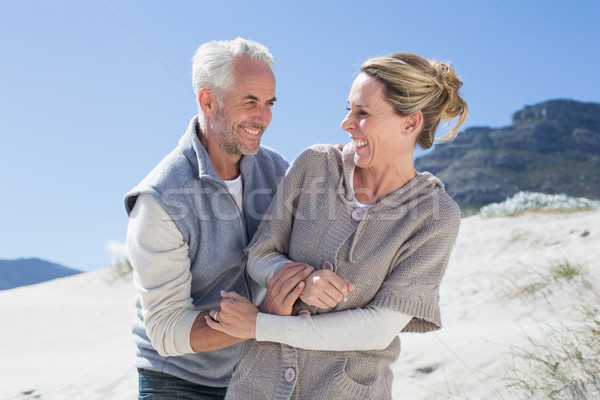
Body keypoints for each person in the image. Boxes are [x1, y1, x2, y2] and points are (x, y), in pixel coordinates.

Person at [206, 52, 469, 399]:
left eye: (362, 114)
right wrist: (299, 279)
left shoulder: (433, 215)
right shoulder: (315, 165)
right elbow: (261, 255)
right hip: (257, 387)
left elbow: (376, 329)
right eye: (348, 109)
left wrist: (260, 325)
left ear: (409, 123)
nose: (347, 124)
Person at [124, 38, 316, 400]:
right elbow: (166, 331)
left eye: (269, 104)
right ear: (208, 101)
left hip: (258, 374)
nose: (263, 118)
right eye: (250, 102)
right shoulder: (160, 199)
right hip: (178, 381)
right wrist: (263, 317)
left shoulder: (278, 171)